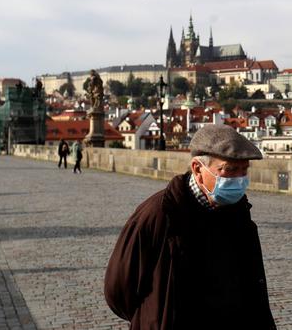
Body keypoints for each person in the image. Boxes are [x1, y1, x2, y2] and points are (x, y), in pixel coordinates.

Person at [104, 124, 276, 330]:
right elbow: (118, 289)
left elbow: (252, 286)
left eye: (244, 170)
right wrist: (154, 317)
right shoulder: (158, 214)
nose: (239, 179)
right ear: (197, 169)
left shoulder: (239, 214)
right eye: (229, 170)